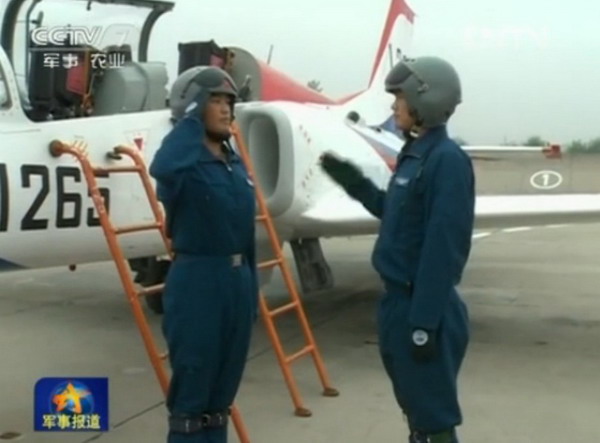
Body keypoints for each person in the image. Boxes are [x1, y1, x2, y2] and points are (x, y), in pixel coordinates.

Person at [320, 56, 475, 443]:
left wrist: (424, 323)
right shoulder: (415, 156)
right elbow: (397, 214)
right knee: (417, 413)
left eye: (400, 98)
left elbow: (444, 249)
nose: (394, 106)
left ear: (425, 99)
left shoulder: (446, 161)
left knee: (434, 418)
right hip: (397, 305)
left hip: (422, 307)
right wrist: (355, 184)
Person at [149, 65, 259, 443]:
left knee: (221, 398)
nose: (226, 108)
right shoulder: (182, 163)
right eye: (215, 100)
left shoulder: (233, 162)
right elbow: (162, 168)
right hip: (198, 284)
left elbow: (245, 234)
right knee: (192, 398)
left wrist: (251, 292)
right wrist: (190, 121)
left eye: (229, 101)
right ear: (194, 106)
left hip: (237, 283)